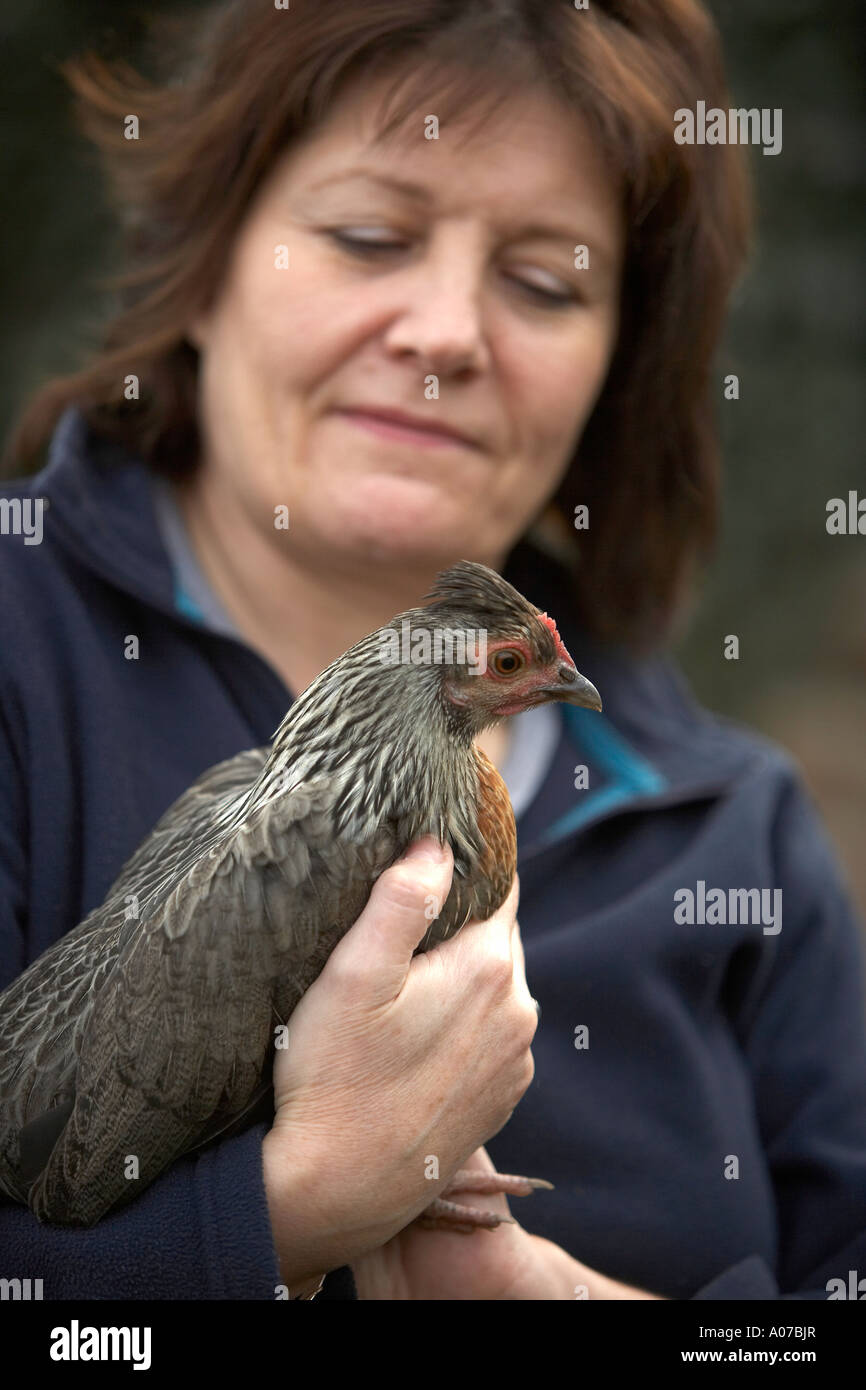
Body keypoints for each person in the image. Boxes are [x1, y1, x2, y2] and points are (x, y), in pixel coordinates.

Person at [1, 0, 864, 1301]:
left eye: (542, 281)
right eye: (366, 237)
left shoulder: (732, 831)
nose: (445, 333)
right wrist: (278, 1223)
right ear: (204, 263)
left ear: (615, 364)